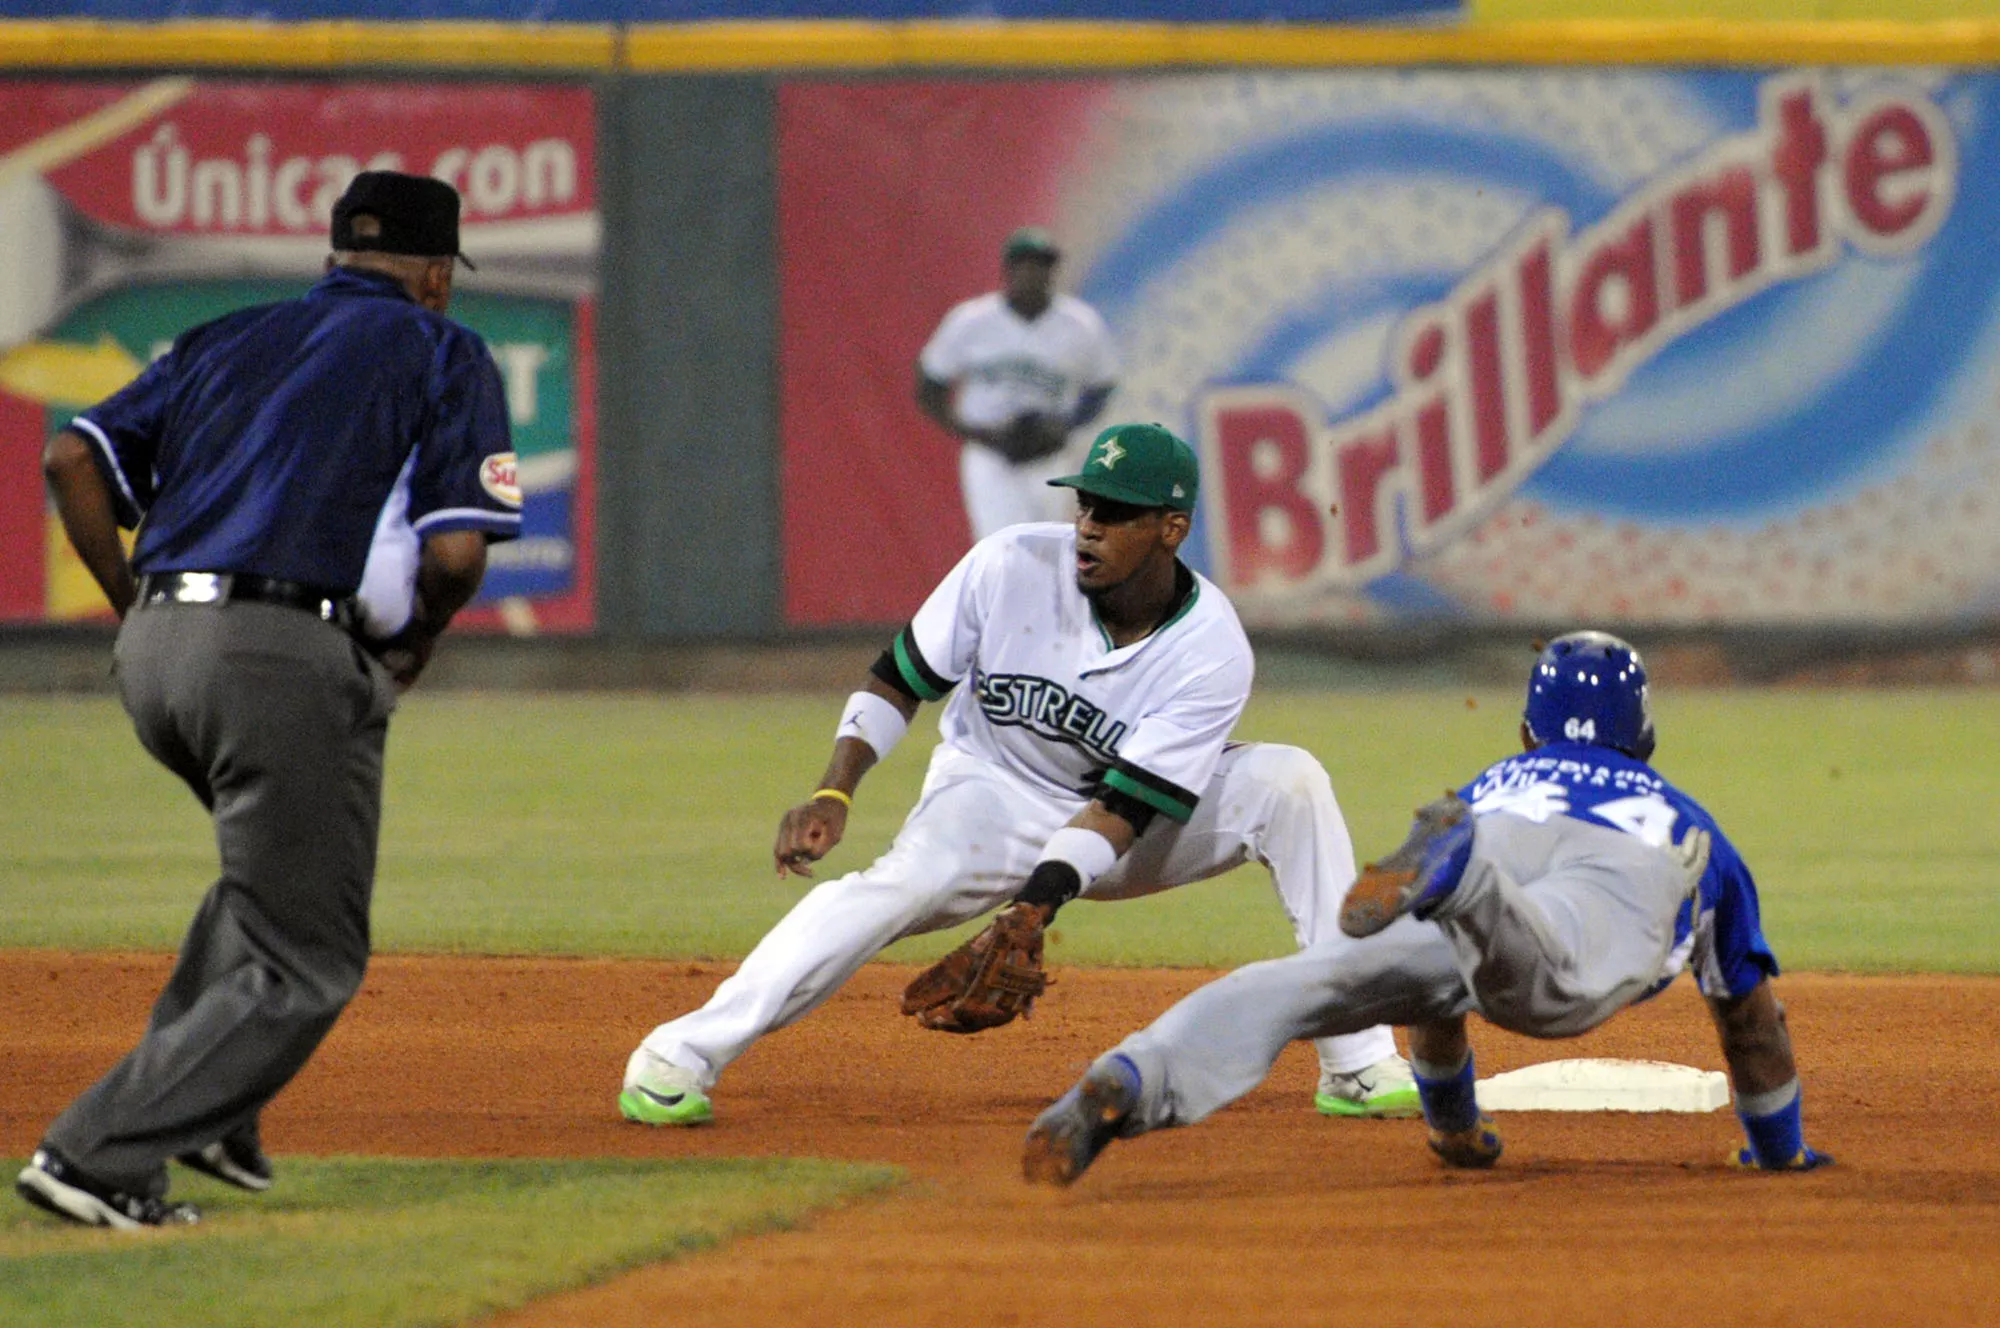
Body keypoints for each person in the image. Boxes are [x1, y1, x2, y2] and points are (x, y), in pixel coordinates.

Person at [620, 423, 1412, 1127]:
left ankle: (1357, 1057)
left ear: (1172, 528)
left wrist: (1034, 908)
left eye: (1114, 513)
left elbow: (1123, 809)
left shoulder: (1209, 648)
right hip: (991, 794)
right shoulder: (1008, 564)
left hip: (1123, 827)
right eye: (1085, 507)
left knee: (1290, 783)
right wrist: (836, 787)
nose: (1088, 528)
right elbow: (900, 677)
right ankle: (679, 1055)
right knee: (896, 886)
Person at [17, 171, 520, 1229]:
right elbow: (459, 550)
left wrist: (133, 609)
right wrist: (417, 646)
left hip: (157, 653)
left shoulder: (221, 336)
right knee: (311, 955)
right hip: (279, 652)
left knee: (269, 886)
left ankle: (208, 1114)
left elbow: (71, 455)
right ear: (436, 276)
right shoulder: (443, 347)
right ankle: (94, 1153)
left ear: (336, 255)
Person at [1023, 631, 1834, 1186]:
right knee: (1554, 979)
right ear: (1646, 736)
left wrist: (1455, 1132)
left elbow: (1438, 1010)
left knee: (1303, 984)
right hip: (1610, 875)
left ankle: (1133, 1073)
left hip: (1488, 830)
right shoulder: (1693, 824)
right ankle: (1471, 882)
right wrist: (1780, 1151)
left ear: (1526, 731)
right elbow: (1750, 1024)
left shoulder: (1497, 780)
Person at [916, 226, 1120, 541]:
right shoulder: (973, 321)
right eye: (1028, 264)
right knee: (999, 546)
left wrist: (1066, 425)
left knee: (1047, 547)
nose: (1036, 273)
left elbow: (1101, 387)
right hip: (991, 449)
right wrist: (974, 431)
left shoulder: (1081, 325)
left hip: (1048, 452)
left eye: (1043, 265)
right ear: (1009, 270)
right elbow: (929, 386)